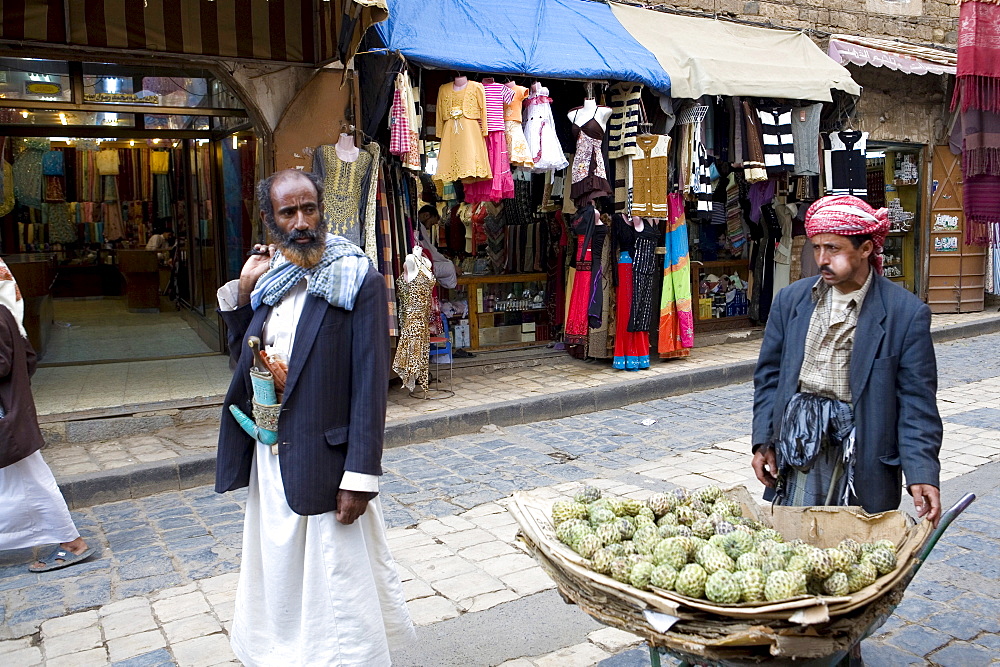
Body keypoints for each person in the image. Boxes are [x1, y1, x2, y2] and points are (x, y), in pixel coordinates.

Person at [215, 169, 414, 666]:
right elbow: (245, 357)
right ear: (270, 220)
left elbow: (371, 386)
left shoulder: (359, 279)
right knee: (279, 579)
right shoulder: (270, 281)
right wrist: (243, 292)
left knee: (338, 589)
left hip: (328, 465)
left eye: (310, 209)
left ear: (322, 211)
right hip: (274, 459)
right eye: (289, 212)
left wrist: (360, 478)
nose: (302, 222)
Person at [751, 195, 942, 528]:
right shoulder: (791, 301)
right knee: (789, 545)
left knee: (851, 555)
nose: (822, 260)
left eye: (834, 249)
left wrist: (922, 471)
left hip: (862, 457)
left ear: (866, 248)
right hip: (797, 450)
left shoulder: (905, 314)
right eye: (816, 248)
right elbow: (770, 377)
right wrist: (764, 441)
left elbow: (916, 403)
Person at [0, 258, 94, 572]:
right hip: (9, 419)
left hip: (6, 422)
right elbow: (26, 358)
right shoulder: (6, 313)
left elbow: (6, 363)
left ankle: (72, 543)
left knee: (31, 480)